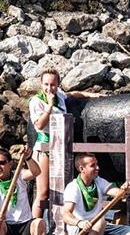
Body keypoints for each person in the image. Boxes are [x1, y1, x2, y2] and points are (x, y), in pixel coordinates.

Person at [28, 68, 104, 221]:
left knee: (61, 190)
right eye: (46, 84)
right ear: (41, 84)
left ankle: (61, 225)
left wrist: (92, 95)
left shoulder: (60, 96)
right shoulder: (37, 101)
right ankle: (35, 227)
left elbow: (72, 94)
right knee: (43, 192)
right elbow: (39, 125)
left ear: (58, 85)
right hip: (44, 148)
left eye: (53, 85)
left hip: (61, 148)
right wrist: (48, 107)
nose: (49, 88)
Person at [63, 153, 130, 235]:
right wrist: (80, 223)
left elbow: (118, 194)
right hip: (80, 232)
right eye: (93, 165)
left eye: (97, 164)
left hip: (99, 228)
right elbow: (66, 215)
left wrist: (125, 190)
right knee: (100, 223)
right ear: (82, 169)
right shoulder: (73, 187)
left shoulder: (99, 181)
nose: (98, 168)